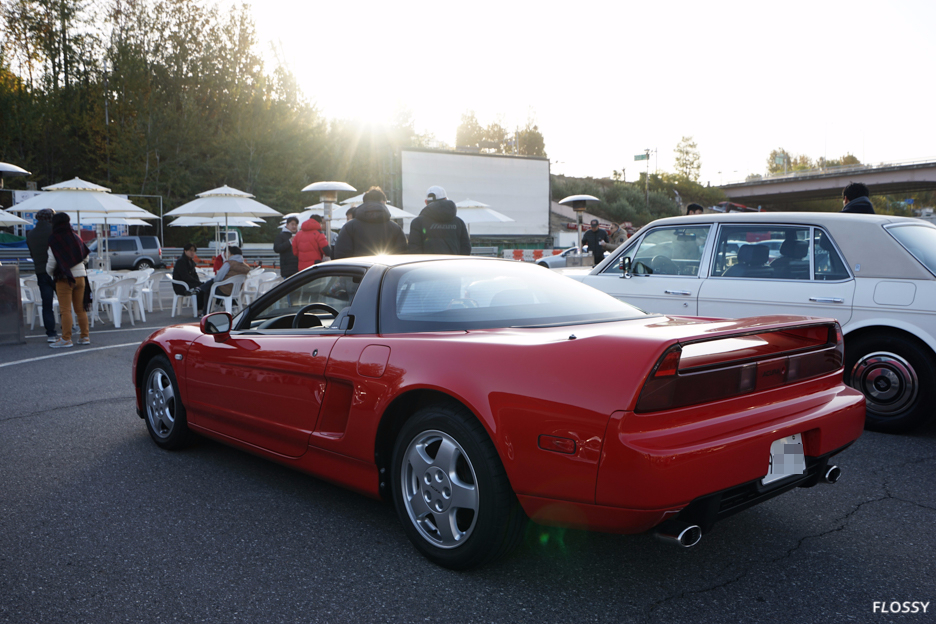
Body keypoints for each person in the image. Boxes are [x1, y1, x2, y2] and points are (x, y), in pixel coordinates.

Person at [46, 212, 90, 348]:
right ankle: (85, 336)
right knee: (80, 309)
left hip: (64, 278)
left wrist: (49, 272)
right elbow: (86, 257)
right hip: (81, 277)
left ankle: (66, 339)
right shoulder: (76, 237)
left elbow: (52, 262)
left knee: (65, 310)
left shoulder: (54, 239)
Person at [333, 186, 407, 259]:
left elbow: (340, 256)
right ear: (383, 202)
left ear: (364, 202)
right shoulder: (395, 228)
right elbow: (403, 256)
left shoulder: (349, 227)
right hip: (387, 270)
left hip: (358, 270)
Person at [407, 185, 471, 255]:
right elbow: (466, 248)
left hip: (427, 265)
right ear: (445, 199)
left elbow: (414, 250)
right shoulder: (459, 222)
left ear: (426, 202)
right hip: (454, 264)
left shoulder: (417, 223)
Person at [26, 208, 58, 342]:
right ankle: (69, 327)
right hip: (56, 271)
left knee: (47, 303)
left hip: (40, 271)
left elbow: (32, 254)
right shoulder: (54, 232)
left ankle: (50, 333)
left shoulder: (31, 234)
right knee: (65, 301)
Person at [172, 243, 212, 314]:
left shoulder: (191, 262)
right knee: (199, 289)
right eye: (190, 250)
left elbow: (194, 275)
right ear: (185, 251)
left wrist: (199, 283)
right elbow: (185, 276)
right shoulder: (181, 262)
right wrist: (198, 283)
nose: (192, 252)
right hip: (181, 286)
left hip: (188, 283)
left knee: (204, 287)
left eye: (194, 251)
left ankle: (205, 308)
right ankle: (200, 309)